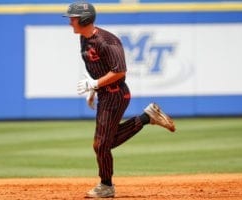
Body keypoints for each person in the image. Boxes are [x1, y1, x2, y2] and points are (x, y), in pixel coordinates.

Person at [63, 1, 176, 198]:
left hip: (116, 94)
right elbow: (98, 67)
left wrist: (95, 84)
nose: (70, 22)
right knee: (103, 143)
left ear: (84, 19)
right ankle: (146, 117)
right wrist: (94, 89)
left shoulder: (107, 42)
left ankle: (106, 186)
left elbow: (120, 71)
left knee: (101, 145)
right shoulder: (83, 38)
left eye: (73, 18)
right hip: (106, 93)